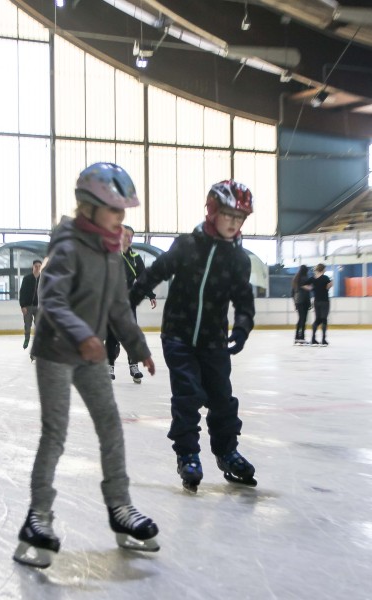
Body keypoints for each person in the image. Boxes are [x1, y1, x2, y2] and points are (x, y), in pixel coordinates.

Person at [14, 163, 159, 569]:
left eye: (124, 213)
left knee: (110, 427)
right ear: (88, 207)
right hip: (59, 351)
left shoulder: (112, 250)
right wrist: (84, 335)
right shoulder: (67, 246)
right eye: (116, 211)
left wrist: (138, 348)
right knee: (55, 434)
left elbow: (117, 306)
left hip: (90, 354)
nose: (121, 220)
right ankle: (37, 517)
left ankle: (120, 507)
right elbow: (52, 301)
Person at [131, 180, 256, 494]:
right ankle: (188, 454)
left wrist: (241, 328)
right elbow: (155, 272)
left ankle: (227, 452)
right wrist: (128, 300)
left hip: (214, 340)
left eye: (240, 218)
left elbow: (244, 300)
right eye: (228, 215)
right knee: (188, 394)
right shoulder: (187, 245)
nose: (234, 223)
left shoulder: (239, 260)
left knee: (222, 399)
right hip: (178, 335)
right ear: (213, 212)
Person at [107, 225, 157, 382]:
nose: (129, 238)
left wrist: (150, 295)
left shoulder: (135, 257)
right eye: (126, 235)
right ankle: (110, 366)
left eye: (131, 236)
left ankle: (133, 366)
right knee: (111, 336)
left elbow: (144, 278)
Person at [19, 260, 42, 349]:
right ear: (33, 267)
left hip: (38, 306)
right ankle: (27, 339)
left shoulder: (43, 279)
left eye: (39, 266)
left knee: (39, 325)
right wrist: (22, 306)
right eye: (36, 266)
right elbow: (22, 292)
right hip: (28, 306)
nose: (37, 268)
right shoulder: (27, 278)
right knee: (27, 325)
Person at [309, 264, 333, 345]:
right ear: (323, 269)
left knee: (317, 319)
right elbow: (328, 287)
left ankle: (313, 338)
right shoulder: (325, 277)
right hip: (324, 301)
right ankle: (323, 339)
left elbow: (309, 287)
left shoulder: (313, 278)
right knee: (324, 320)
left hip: (316, 301)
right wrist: (331, 283)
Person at [291, 265, 312, 344]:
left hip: (298, 301)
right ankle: (302, 337)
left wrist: (295, 304)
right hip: (304, 301)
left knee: (300, 319)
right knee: (303, 319)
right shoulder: (305, 278)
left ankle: (297, 337)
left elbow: (292, 293)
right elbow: (308, 291)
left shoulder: (295, 279)